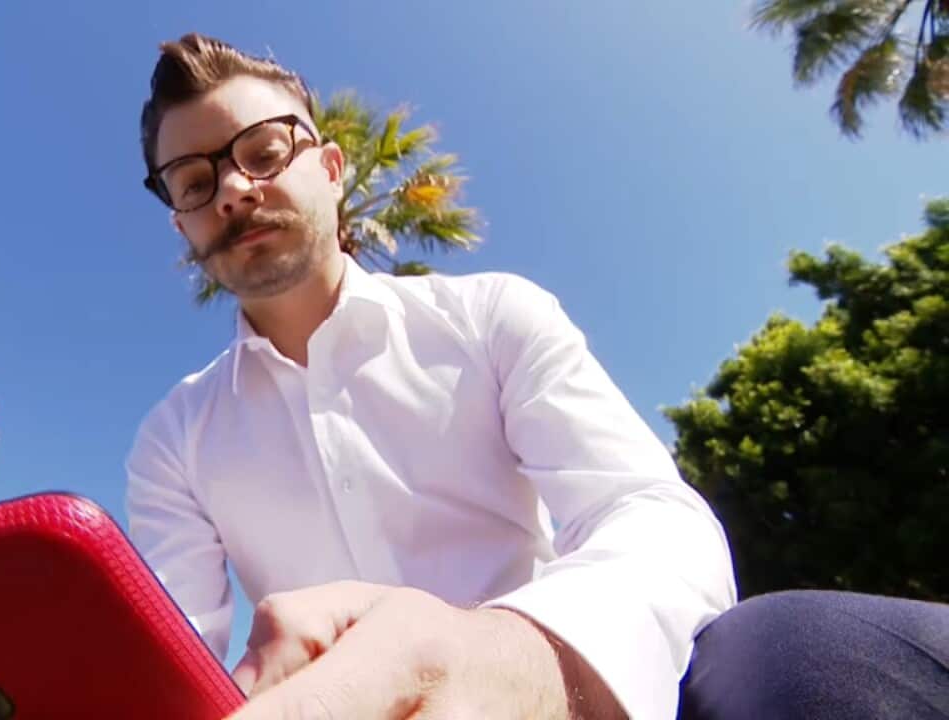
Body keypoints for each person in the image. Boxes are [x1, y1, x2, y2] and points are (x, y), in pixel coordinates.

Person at [124, 33, 949, 720]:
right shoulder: (175, 437)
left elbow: (651, 515)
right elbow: (170, 653)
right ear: (182, 222)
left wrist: (515, 658)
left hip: (566, 700)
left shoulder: (490, 315)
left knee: (804, 648)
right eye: (196, 183)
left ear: (333, 169)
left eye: (263, 151)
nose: (233, 188)